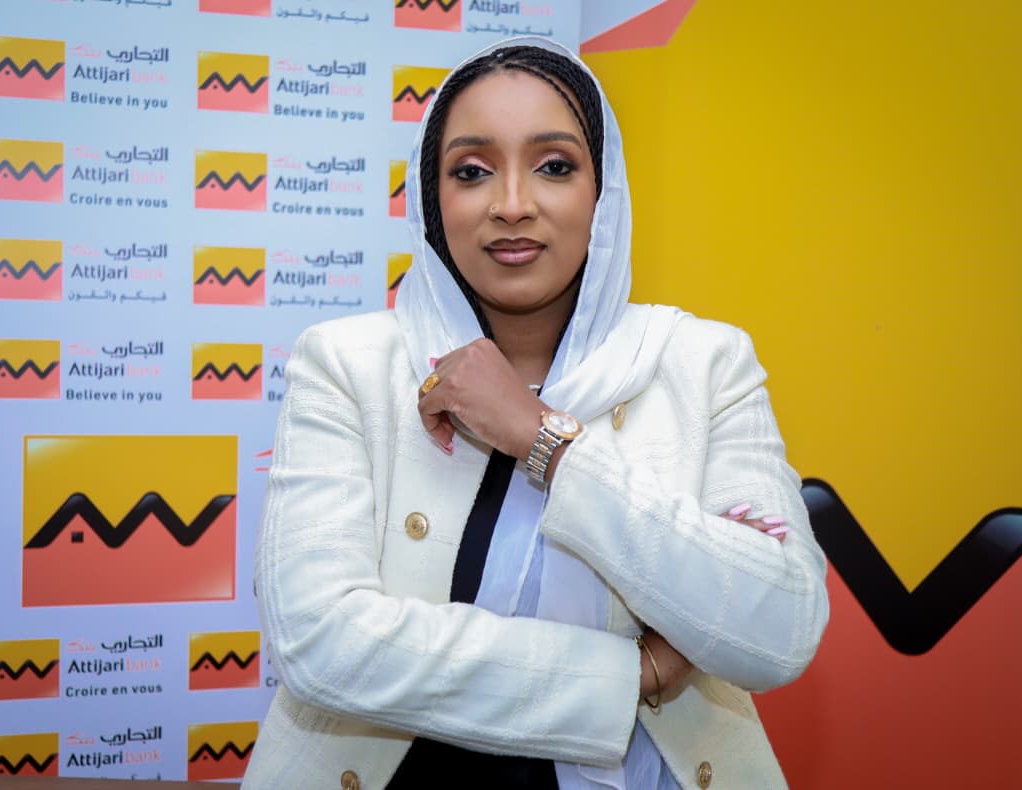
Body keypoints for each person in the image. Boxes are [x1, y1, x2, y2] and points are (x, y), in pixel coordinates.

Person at [243, 37, 829, 790]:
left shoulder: (704, 364)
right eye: (472, 171)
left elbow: (777, 629)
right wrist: (631, 675)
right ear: (432, 199)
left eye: (554, 166)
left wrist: (539, 436)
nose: (512, 204)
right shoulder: (348, 365)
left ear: (603, 193)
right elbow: (321, 643)